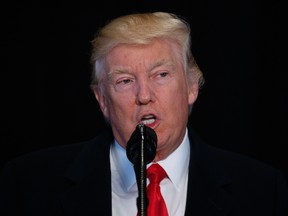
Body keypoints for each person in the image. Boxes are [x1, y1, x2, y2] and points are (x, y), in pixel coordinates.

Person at [0, 11, 287, 216]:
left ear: (191, 87)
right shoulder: (28, 186)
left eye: (161, 75)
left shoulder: (263, 191)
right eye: (125, 81)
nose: (144, 96)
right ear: (102, 100)